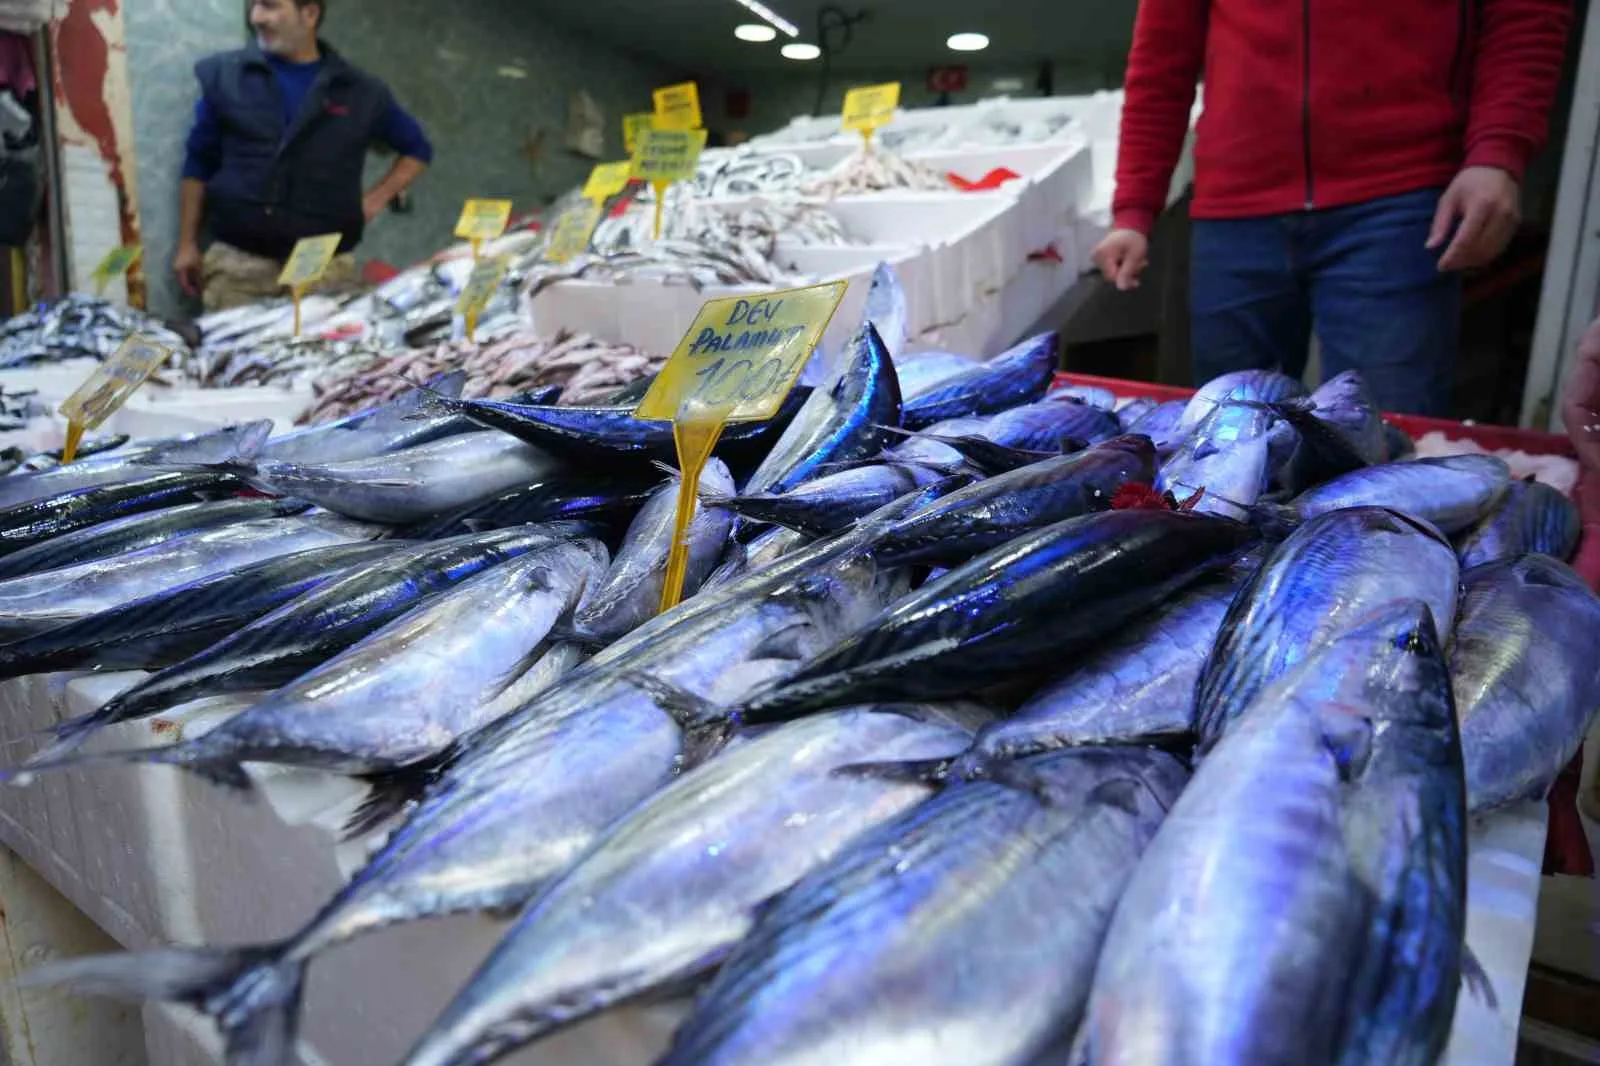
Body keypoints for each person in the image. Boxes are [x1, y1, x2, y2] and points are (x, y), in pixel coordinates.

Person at [1092, 0, 1570, 416]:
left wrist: (1498, 152)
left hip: (1396, 198)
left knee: (1384, 442)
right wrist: (1135, 207)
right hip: (1234, 209)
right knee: (1224, 439)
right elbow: (1161, 58)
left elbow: (1525, 15)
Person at [174, 0, 433, 311]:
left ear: (309, 14)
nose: (256, 17)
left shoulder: (359, 90)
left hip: (323, 270)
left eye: (269, 6)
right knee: (231, 359)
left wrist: (373, 201)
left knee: (321, 357)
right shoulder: (226, 77)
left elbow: (416, 150)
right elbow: (198, 162)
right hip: (238, 270)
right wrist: (187, 243)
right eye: (253, 6)